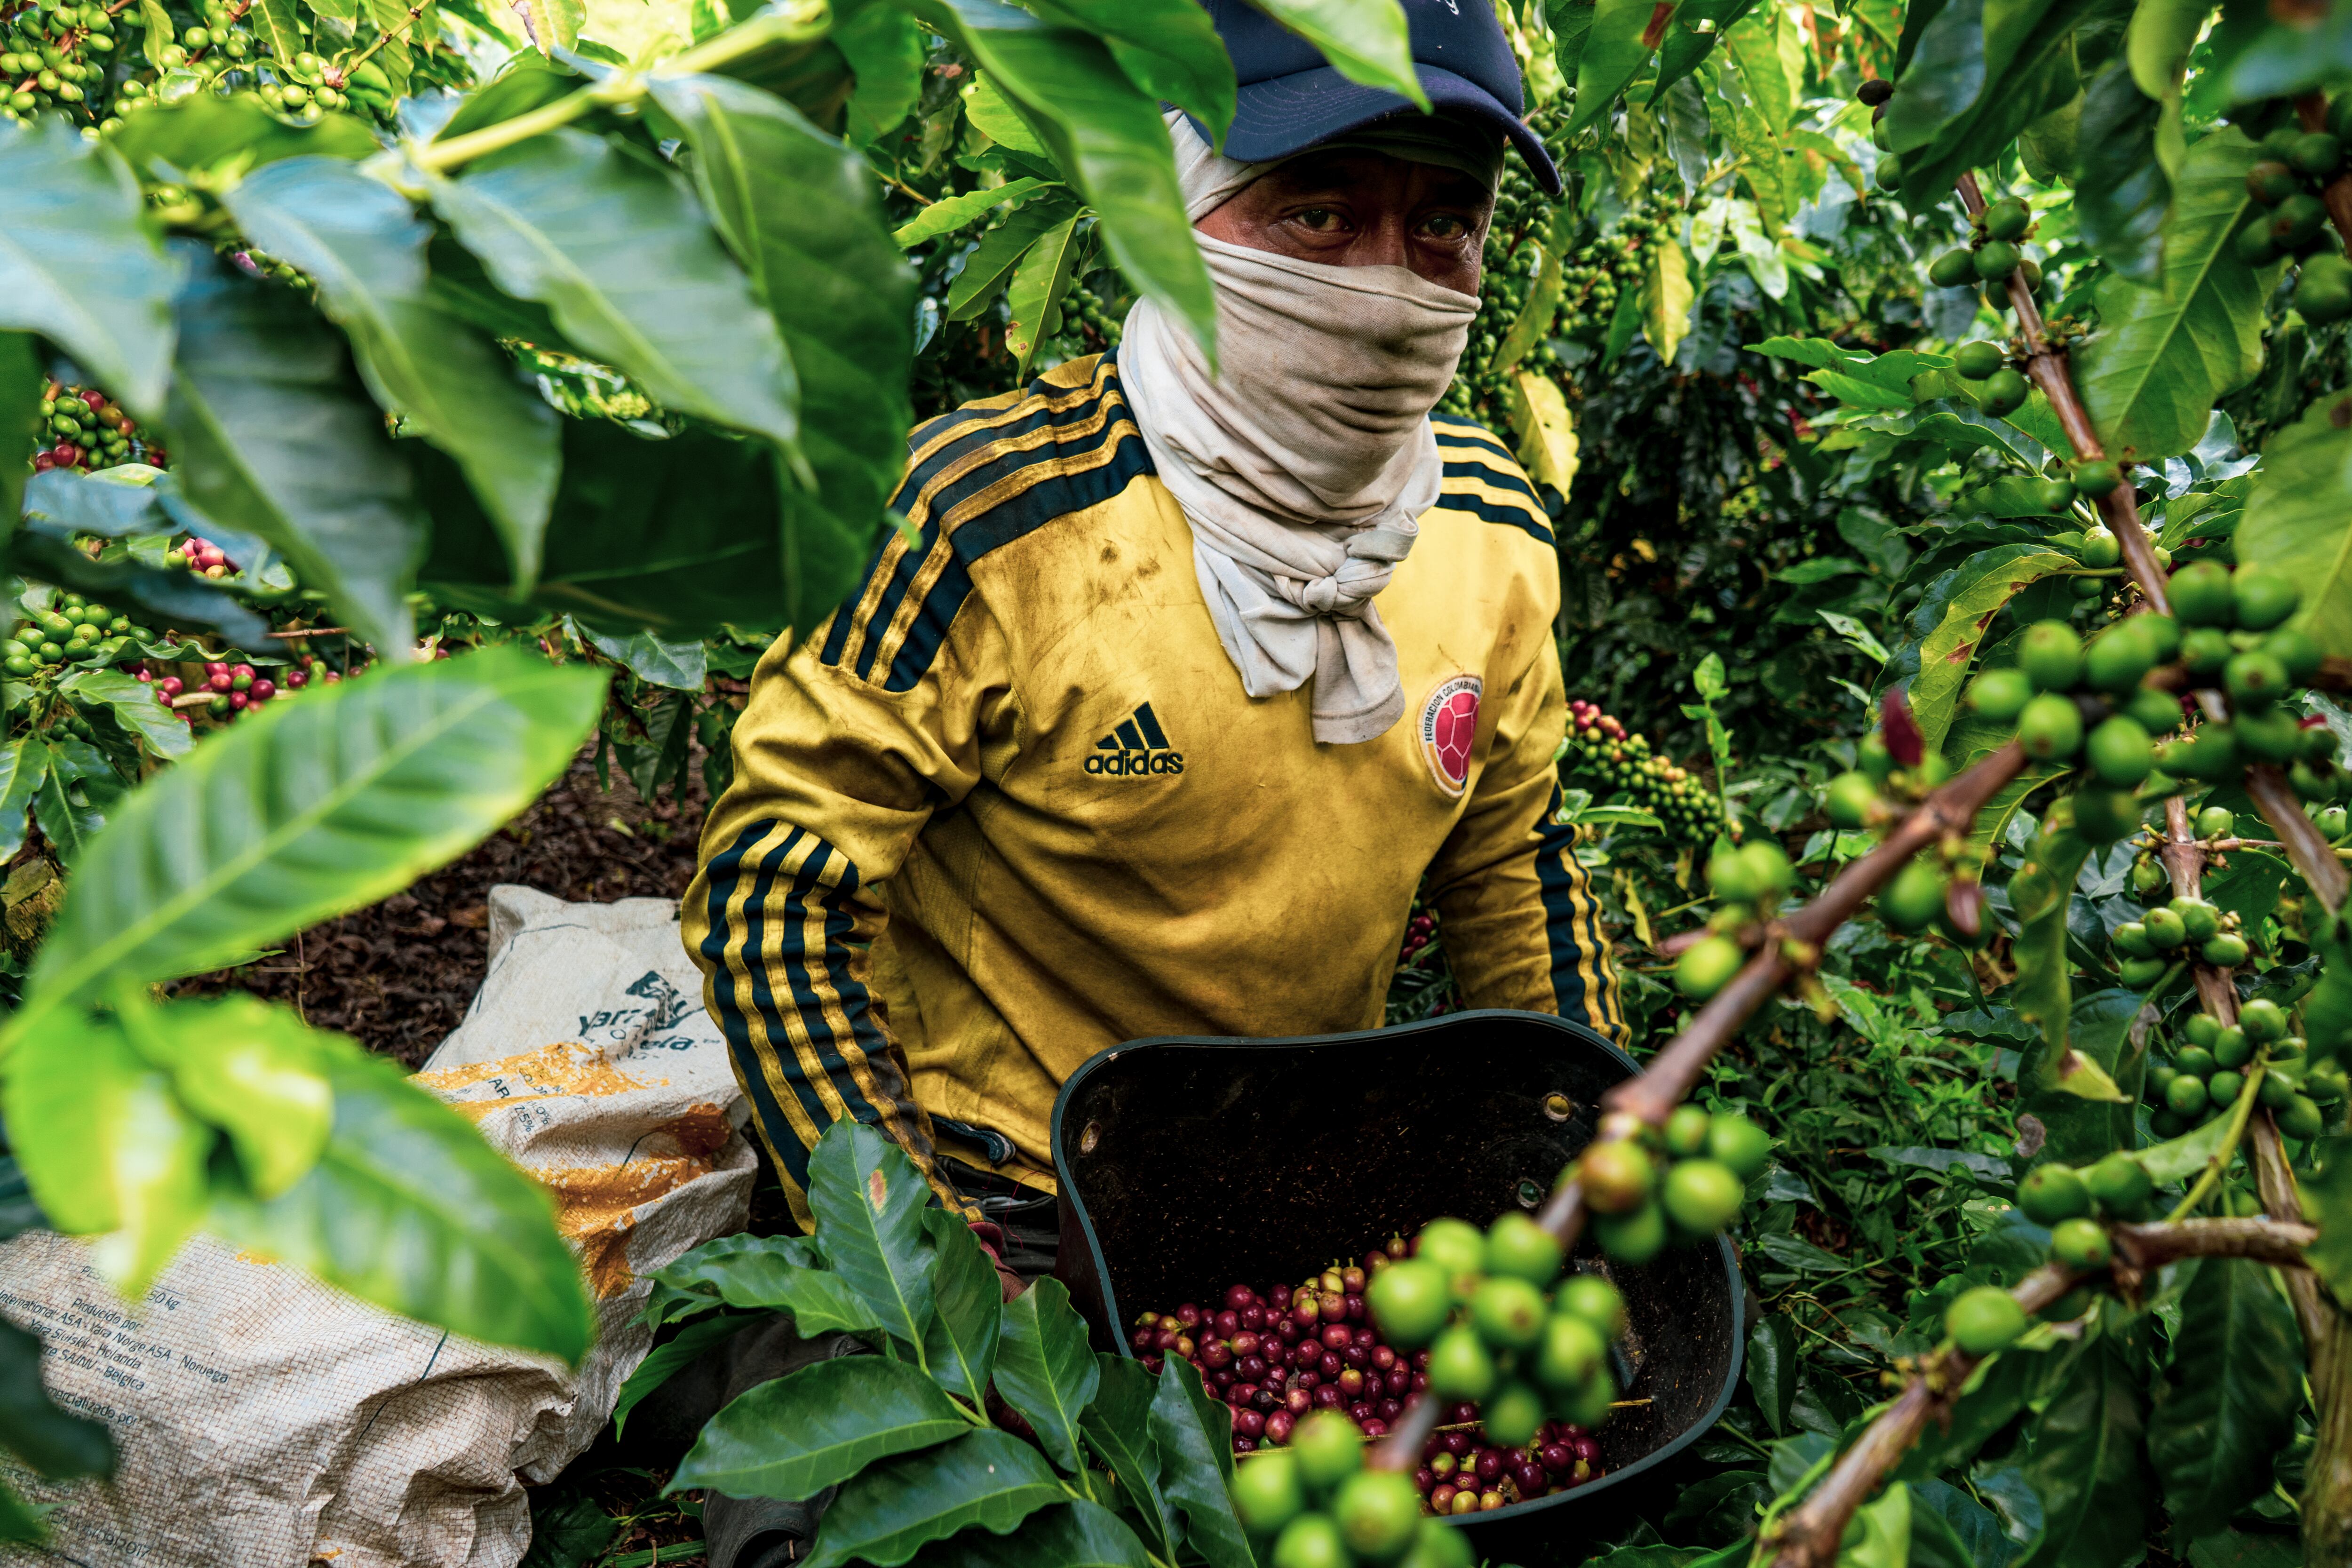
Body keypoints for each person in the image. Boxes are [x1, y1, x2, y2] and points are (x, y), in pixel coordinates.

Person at [674, 6, 1621, 1550]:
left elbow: (1514, 870)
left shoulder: (1492, 539)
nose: (1387, 280)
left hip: (1310, 1191)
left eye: (1445, 225)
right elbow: (780, 894)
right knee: (893, 1511)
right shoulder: (990, 520)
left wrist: (1587, 1162)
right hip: (1007, 1189)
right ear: (1179, 208)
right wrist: (919, 1251)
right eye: (1319, 210)